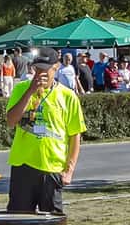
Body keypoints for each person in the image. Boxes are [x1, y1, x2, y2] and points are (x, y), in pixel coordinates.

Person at [5, 47, 85, 214]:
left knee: (52, 222)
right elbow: (11, 121)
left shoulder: (68, 96)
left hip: (52, 168)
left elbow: (75, 136)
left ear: (56, 68)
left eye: (45, 69)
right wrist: (29, 92)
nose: (40, 73)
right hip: (24, 166)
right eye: (37, 69)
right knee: (18, 220)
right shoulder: (21, 89)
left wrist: (69, 171)